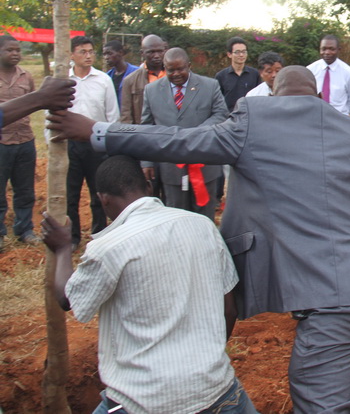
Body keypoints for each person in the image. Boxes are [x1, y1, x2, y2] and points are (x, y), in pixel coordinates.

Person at [47, 66, 350, 414]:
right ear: (318, 97)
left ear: (274, 95)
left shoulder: (255, 123)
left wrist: (97, 131)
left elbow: (177, 140)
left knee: (321, 402)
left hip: (336, 300)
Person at [40, 155, 258, 414]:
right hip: (217, 392)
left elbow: (68, 298)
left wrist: (62, 249)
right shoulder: (203, 226)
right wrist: (203, 361)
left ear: (103, 199)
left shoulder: (109, 247)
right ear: (148, 186)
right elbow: (229, 310)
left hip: (143, 401)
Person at [141, 47, 227, 220]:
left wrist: (196, 134)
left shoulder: (210, 86)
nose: (176, 74)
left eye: (180, 69)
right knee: (176, 217)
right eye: (170, 70)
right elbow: (147, 127)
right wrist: (146, 162)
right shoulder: (151, 90)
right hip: (171, 166)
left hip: (204, 163)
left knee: (204, 218)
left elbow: (221, 114)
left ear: (189, 65)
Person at [66, 35, 119, 250]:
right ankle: (72, 238)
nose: (88, 56)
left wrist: (110, 143)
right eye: (82, 52)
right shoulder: (63, 79)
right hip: (69, 144)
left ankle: (99, 235)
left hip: (95, 143)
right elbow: (52, 112)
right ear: (71, 54)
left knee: (98, 192)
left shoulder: (103, 80)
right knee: (70, 194)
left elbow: (112, 115)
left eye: (91, 51)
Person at [0, 36, 40, 248]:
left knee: (25, 190)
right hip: (2, 142)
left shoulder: (26, 76)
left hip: (25, 140)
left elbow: (32, 103)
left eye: (18, 50)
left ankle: (25, 230)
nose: (15, 53)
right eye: (10, 50)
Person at [120, 34, 167, 124]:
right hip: (144, 130)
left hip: (170, 130)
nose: (156, 56)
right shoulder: (130, 81)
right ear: (142, 53)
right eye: (151, 52)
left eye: (160, 51)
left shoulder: (175, 76)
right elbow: (126, 116)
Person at [307, 35, 350, 115]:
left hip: (338, 118)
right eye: (324, 49)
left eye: (332, 49)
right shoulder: (310, 70)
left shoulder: (349, 74)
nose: (327, 52)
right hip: (314, 117)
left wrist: (341, 115)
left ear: (339, 50)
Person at [216, 36, 261, 112]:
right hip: (229, 116)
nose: (241, 55)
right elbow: (217, 101)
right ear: (229, 54)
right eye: (237, 52)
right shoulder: (221, 76)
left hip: (250, 114)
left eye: (244, 52)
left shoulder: (254, 74)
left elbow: (259, 96)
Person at [103, 40, 137, 107]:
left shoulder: (136, 72)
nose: (106, 57)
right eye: (104, 54)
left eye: (109, 53)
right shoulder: (107, 77)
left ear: (120, 53)